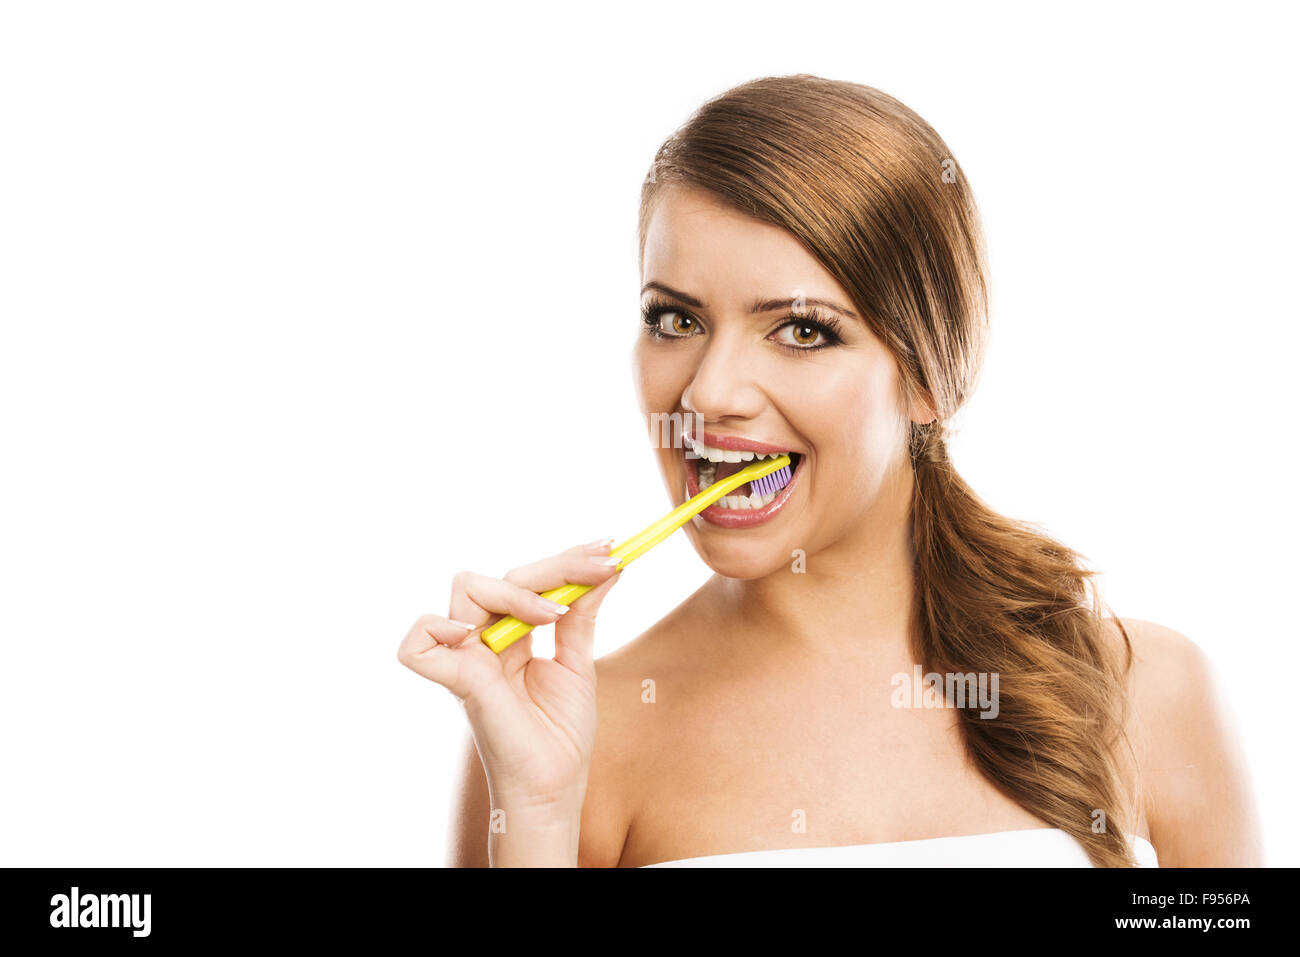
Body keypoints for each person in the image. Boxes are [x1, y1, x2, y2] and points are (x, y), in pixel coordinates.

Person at [398, 74, 1261, 867]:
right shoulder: (562, 740)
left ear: (927, 375)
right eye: (675, 320)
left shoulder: (1147, 694)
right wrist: (540, 814)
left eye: (802, 329)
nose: (710, 390)